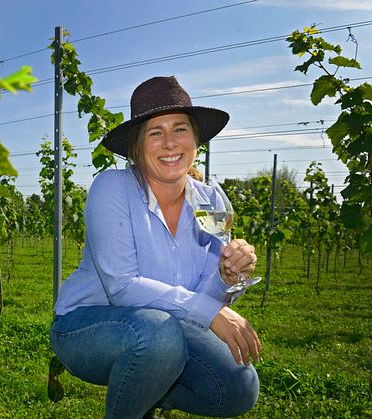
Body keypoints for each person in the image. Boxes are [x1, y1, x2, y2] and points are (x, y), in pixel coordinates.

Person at [50, 76, 261, 418]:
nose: (169, 142)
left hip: (167, 329)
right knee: (159, 339)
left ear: (196, 140)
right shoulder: (113, 188)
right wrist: (210, 314)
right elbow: (122, 287)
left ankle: (146, 383)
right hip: (86, 325)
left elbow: (203, 296)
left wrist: (225, 277)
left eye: (180, 129)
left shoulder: (212, 200)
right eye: (155, 132)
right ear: (137, 146)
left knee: (239, 388)